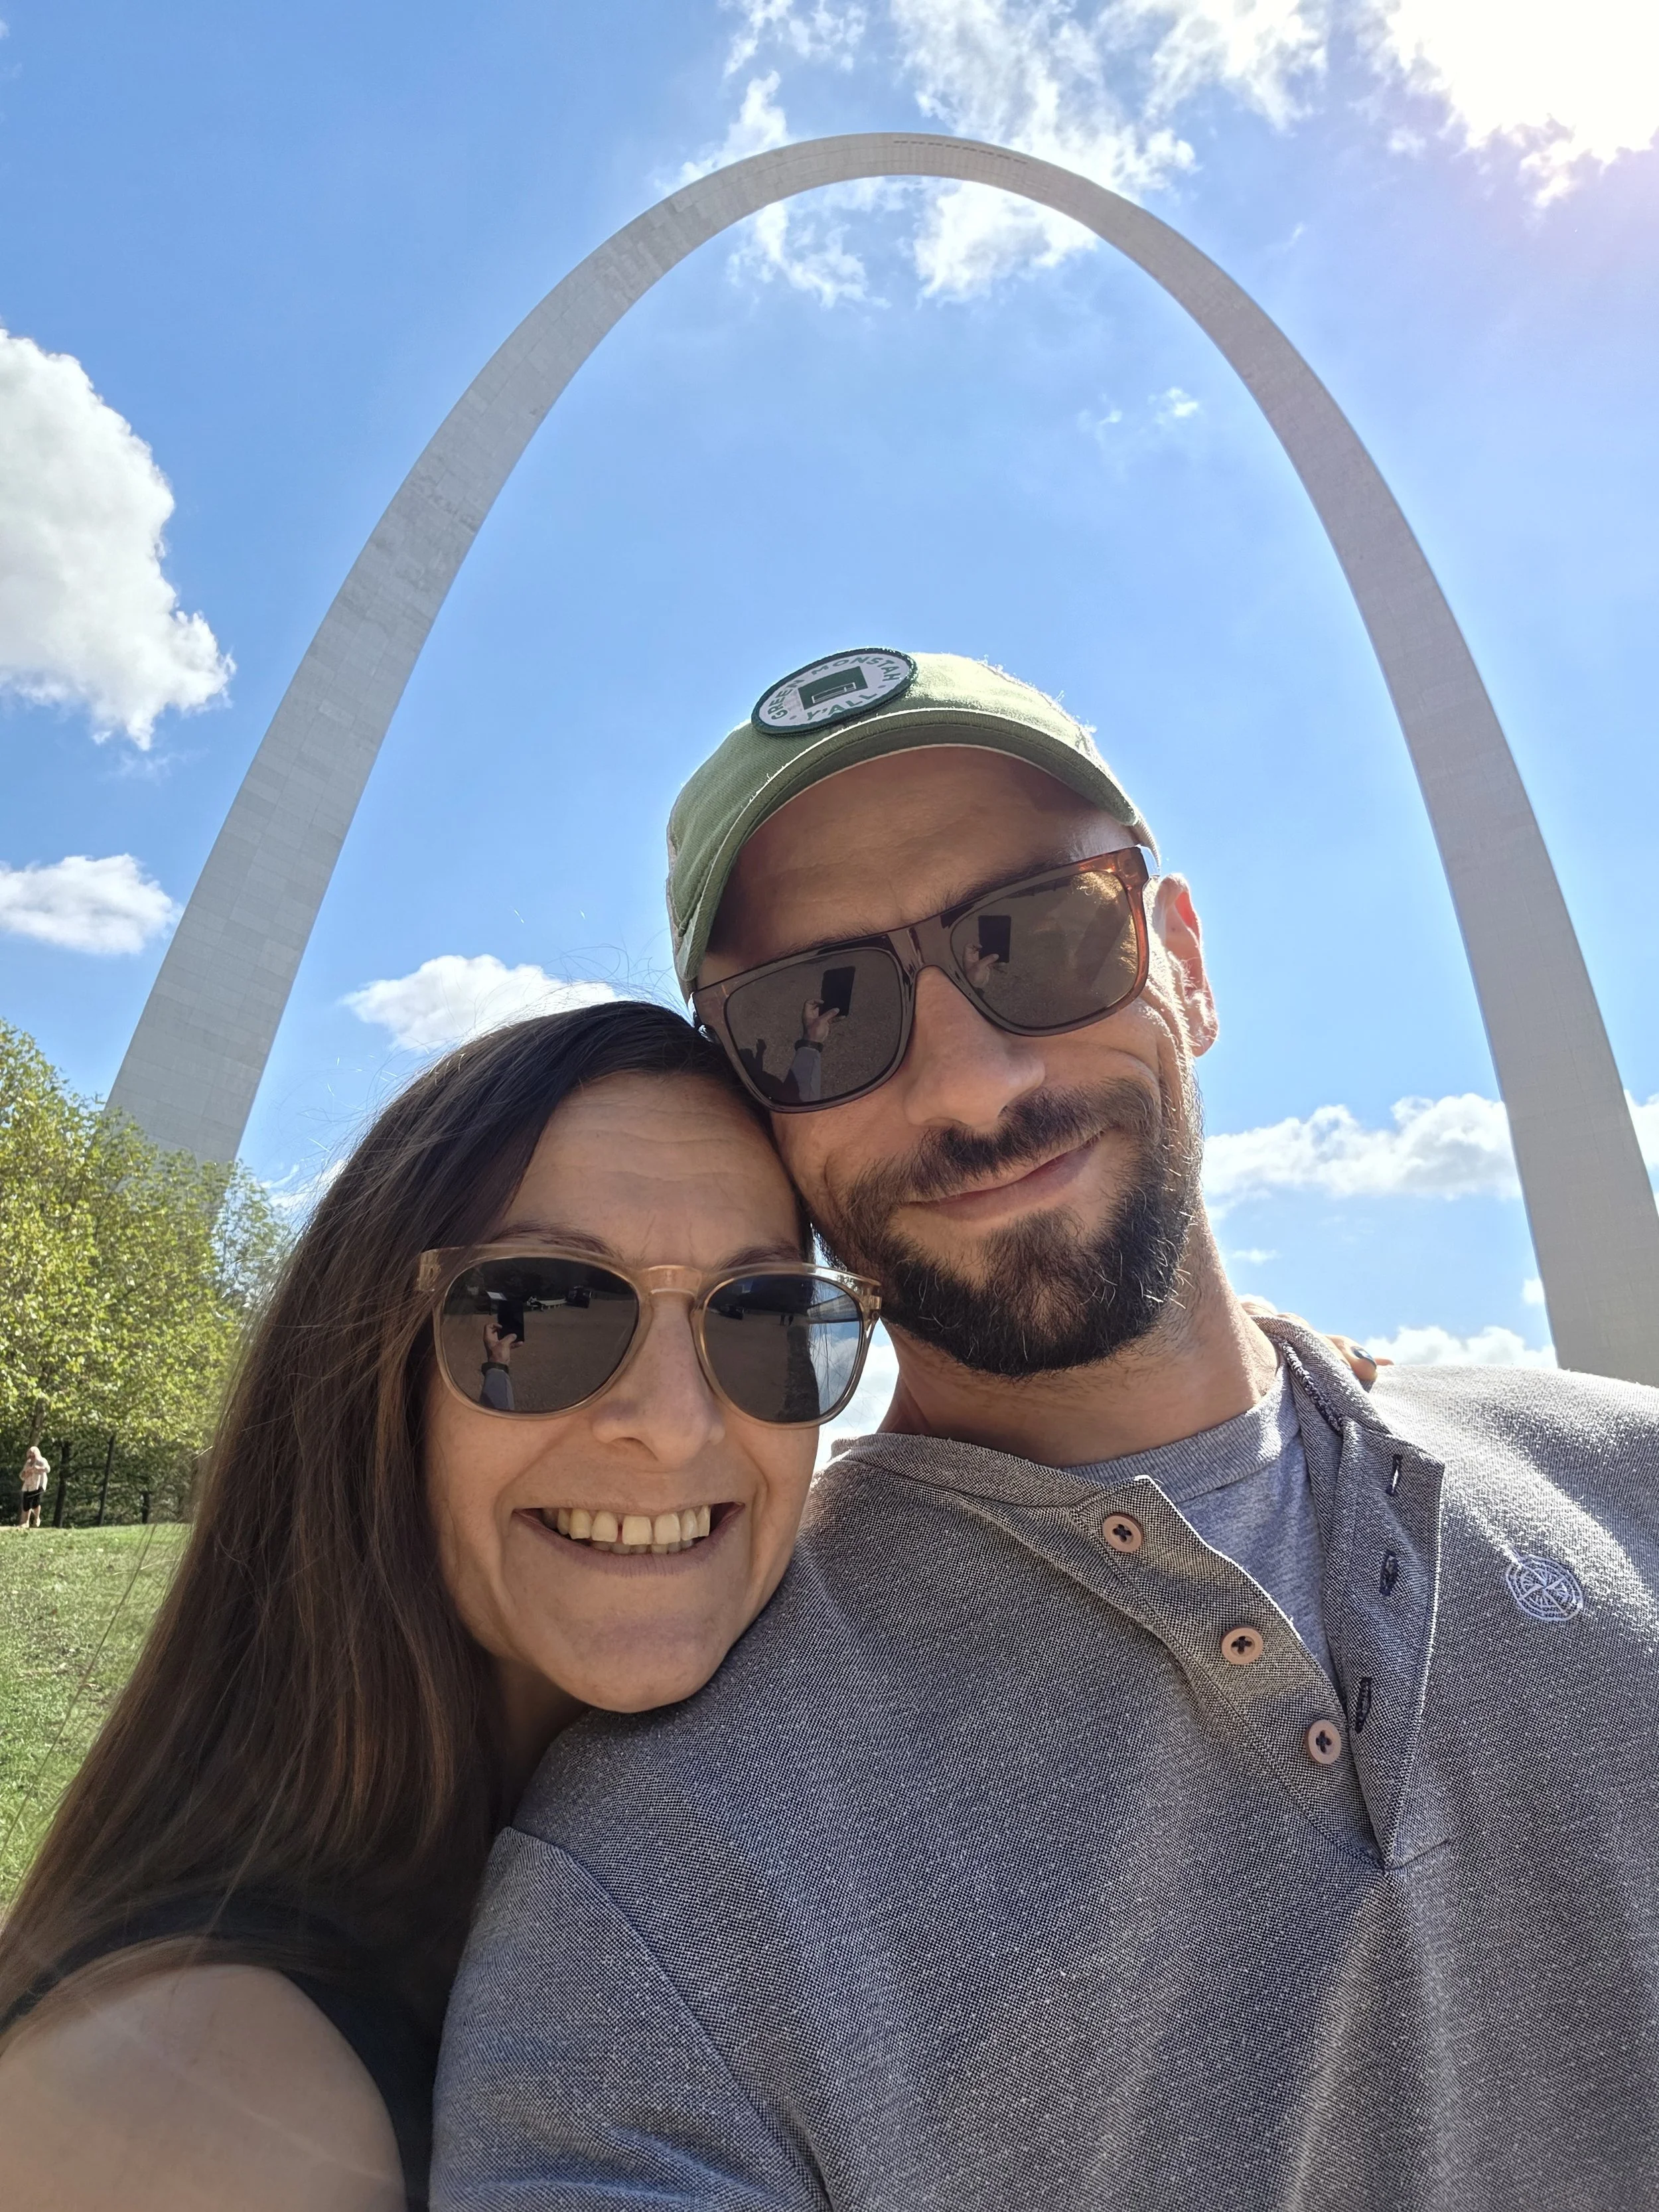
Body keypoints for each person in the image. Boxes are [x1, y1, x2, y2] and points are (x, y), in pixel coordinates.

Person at [434, 650, 1659, 2212]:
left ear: (1184, 964)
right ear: (756, 1110)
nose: (968, 1080)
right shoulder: (655, 1892)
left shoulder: (1632, 1482)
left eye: (1042, 934)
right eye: (822, 1012)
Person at [0, 999, 879, 2212]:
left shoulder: (765, 1834)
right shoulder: (201, 2111)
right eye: (541, 1308)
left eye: (767, 1316)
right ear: (372, 1382)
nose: (675, 1421)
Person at [17, 1445, 49, 1528]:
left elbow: (47, 1469)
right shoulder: (28, 1463)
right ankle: (26, 1522)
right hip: (29, 1485)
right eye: (30, 1455)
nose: (31, 1457)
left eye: (33, 1455)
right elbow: (22, 1475)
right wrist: (27, 1473)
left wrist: (38, 1468)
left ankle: (37, 1518)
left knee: (35, 1502)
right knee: (26, 1503)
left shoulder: (42, 1461)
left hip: (40, 1485)